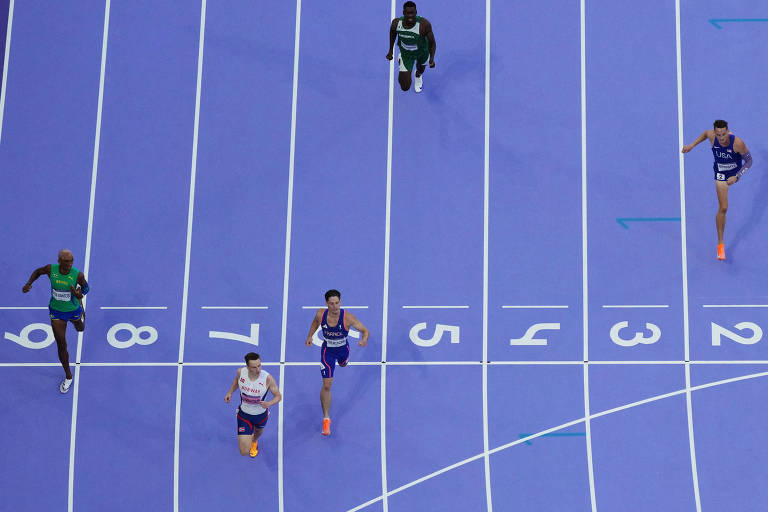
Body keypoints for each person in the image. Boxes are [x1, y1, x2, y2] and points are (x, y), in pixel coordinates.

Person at [682, 119, 753, 260]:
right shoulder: (712, 136)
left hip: (733, 174)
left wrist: (737, 176)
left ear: (728, 131)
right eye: (719, 134)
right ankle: (720, 245)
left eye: (724, 134)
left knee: (724, 207)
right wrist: (691, 145)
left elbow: (749, 161)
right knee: (723, 208)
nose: (721, 138)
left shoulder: (738, 143)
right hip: (720, 174)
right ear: (715, 133)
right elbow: (705, 134)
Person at [22, 249, 89, 393]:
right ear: (59, 261)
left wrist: (80, 294)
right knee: (61, 344)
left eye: (71, 261)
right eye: (66, 261)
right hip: (56, 312)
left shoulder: (77, 275)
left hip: (73, 310)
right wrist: (29, 284)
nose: (69, 264)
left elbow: (87, 287)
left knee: (80, 329)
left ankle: (80, 309)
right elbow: (37, 272)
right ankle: (68, 376)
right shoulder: (50, 269)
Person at [304, 289, 369, 436]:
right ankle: (326, 419)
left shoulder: (348, 318)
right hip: (327, 352)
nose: (335, 307)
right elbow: (315, 323)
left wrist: (364, 339)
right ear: (326, 303)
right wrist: (310, 336)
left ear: (340, 302)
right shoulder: (321, 314)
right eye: (331, 304)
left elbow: (365, 331)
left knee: (344, 364)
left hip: (342, 351)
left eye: (337, 303)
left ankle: (344, 361)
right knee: (327, 385)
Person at [224, 352, 281, 457]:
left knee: (258, 432)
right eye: (254, 367)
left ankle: (254, 441)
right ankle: (247, 436)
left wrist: (269, 403)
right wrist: (230, 392)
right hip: (244, 415)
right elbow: (237, 381)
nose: (258, 369)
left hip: (261, 415)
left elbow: (278, 396)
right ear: (247, 367)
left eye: (259, 365)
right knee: (244, 451)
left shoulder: (267, 378)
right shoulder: (241, 372)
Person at [386, 1, 436, 93]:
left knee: (420, 70)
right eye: (408, 13)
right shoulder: (396, 24)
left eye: (412, 13)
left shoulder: (424, 25)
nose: (410, 16)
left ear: (416, 12)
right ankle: (401, 58)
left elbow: (432, 43)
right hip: (406, 54)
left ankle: (418, 76)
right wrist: (390, 51)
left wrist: (432, 59)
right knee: (405, 87)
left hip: (422, 53)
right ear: (403, 13)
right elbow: (392, 34)